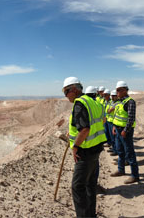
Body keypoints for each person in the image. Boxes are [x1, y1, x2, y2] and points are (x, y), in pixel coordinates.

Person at [62, 77, 107, 217]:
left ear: (74, 89)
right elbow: (102, 120)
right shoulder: (94, 102)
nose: (66, 95)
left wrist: (75, 146)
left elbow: (85, 129)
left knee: (77, 187)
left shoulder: (79, 103)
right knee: (90, 185)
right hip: (95, 149)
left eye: (66, 91)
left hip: (85, 152)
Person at [110, 81, 139, 184]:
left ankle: (135, 175)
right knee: (120, 151)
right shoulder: (119, 102)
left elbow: (131, 118)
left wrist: (125, 130)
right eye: (116, 90)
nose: (116, 92)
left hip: (125, 131)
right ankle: (121, 169)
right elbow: (116, 115)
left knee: (129, 152)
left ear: (124, 90)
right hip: (117, 130)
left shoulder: (130, 102)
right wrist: (114, 126)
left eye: (118, 90)